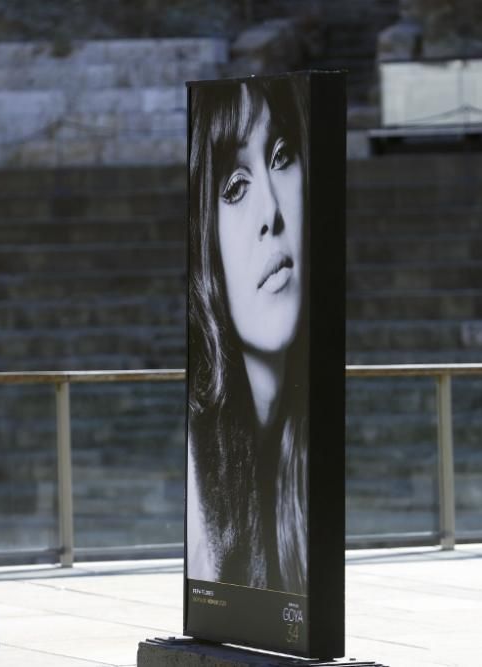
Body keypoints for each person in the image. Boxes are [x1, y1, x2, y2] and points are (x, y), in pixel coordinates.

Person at [186, 75, 310, 595]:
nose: (273, 215)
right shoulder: (199, 486)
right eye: (235, 187)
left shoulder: (298, 458)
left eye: (281, 157)